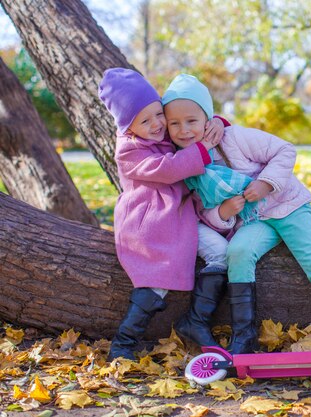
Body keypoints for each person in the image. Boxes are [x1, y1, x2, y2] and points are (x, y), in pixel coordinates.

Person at [162, 74, 311, 364]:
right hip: (256, 222)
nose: (184, 130)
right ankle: (244, 337)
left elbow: (285, 150)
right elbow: (204, 211)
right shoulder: (188, 164)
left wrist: (266, 183)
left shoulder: (234, 137)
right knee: (237, 252)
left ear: (207, 117)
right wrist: (224, 213)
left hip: (289, 207)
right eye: (174, 123)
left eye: (191, 120)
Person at [98, 68, 228, 361]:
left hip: (180, 216)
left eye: (159, 114)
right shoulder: (129, 149)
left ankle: (195, 320)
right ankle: (123, 344)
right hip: (149, 222)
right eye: (145, 120)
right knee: (156, 282)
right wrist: (205, 147)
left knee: (221, 252)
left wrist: (216, 122)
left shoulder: (161, 133)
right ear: (129, 126)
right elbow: (169, 169)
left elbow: (188, 124)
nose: (158, 124)